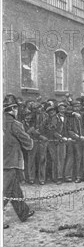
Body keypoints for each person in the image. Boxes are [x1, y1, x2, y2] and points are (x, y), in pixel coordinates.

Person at [4, 94, 35, 228]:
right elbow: (27, 143)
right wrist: (29, 143)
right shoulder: (15, 124)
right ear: (14, 109)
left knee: (14, 189)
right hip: (11, 162)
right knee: (5, 191)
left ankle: (23, 212)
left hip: (4, 160)